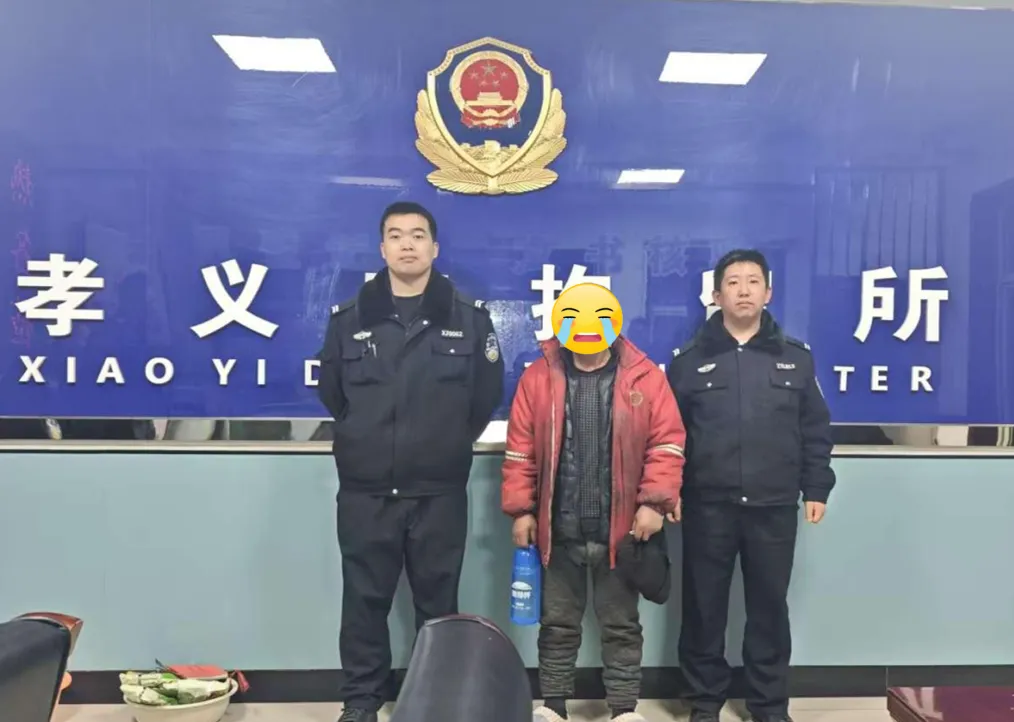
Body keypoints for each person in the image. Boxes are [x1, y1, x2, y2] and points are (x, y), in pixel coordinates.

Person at [316, 201, 505, 722]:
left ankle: (437, 704)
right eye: (396, 235)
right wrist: (368, 439)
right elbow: (334, 394)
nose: (407, 244)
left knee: (438, 606)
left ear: (434, 248)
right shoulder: (350, 320)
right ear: (382, 249)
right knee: (364, 602)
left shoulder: (469, 319)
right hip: (366, 489)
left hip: (438, 489)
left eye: (418, 235)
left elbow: (484, 397)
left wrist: (442, 441)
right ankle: (361, 701)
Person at [666, 249, 836, 722]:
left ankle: (768, 705)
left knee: (768, 610)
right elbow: (669, 436)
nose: (743, 290)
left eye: (753, 281)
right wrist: (669, 491)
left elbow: (815, 430)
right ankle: (704, 703)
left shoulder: (796, 359)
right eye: (733, 282)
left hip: (774, 506)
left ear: (768, 292)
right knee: (703, 609)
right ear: (716, 294)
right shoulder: (688, 362)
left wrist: (816, 487)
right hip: (707, 506)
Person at [501, 327, 686, 722]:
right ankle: (553, 706)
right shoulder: (539, 375)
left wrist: (654, 502)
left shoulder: (644, 376)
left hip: (621, 531)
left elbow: (666, 444)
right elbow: (520, 450)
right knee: (557, 625)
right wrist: (522, 510)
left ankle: (623, 710)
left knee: (621, 626)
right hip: (558, 531)